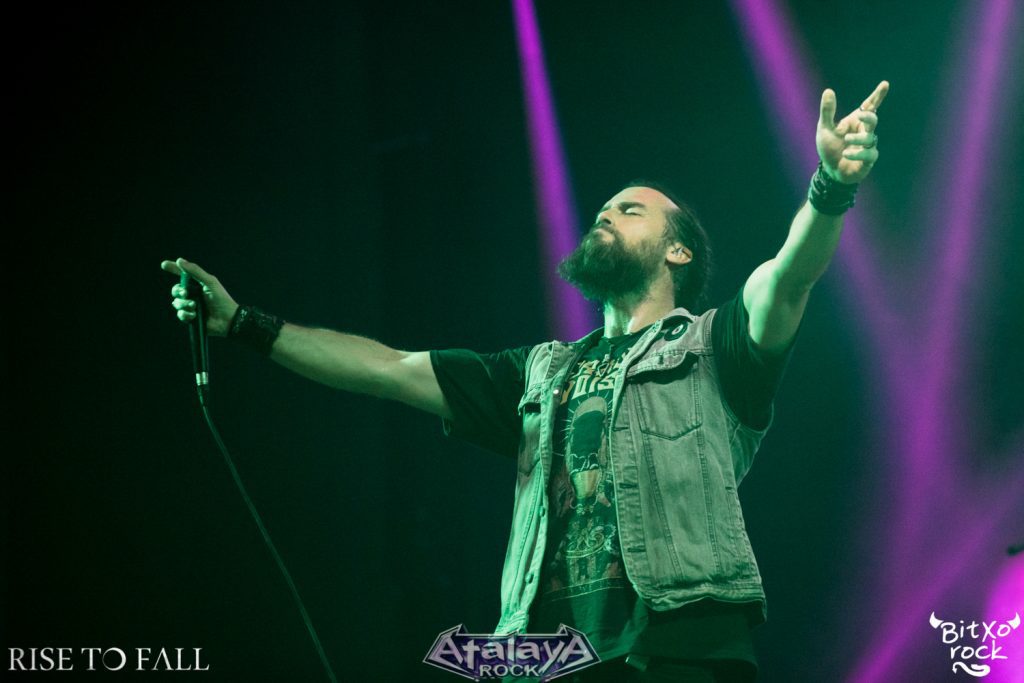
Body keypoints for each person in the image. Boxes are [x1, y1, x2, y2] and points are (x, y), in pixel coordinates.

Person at [163, 81, 889, 682]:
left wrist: (832, 185)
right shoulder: (541, 370)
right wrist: (246, 325)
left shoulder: (713, 345)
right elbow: (388, 367)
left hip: (677, 648)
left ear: (678, 252)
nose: (606, 214)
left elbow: (789, 276)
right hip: (544, 660)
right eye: (602, 209)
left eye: (629, 210)